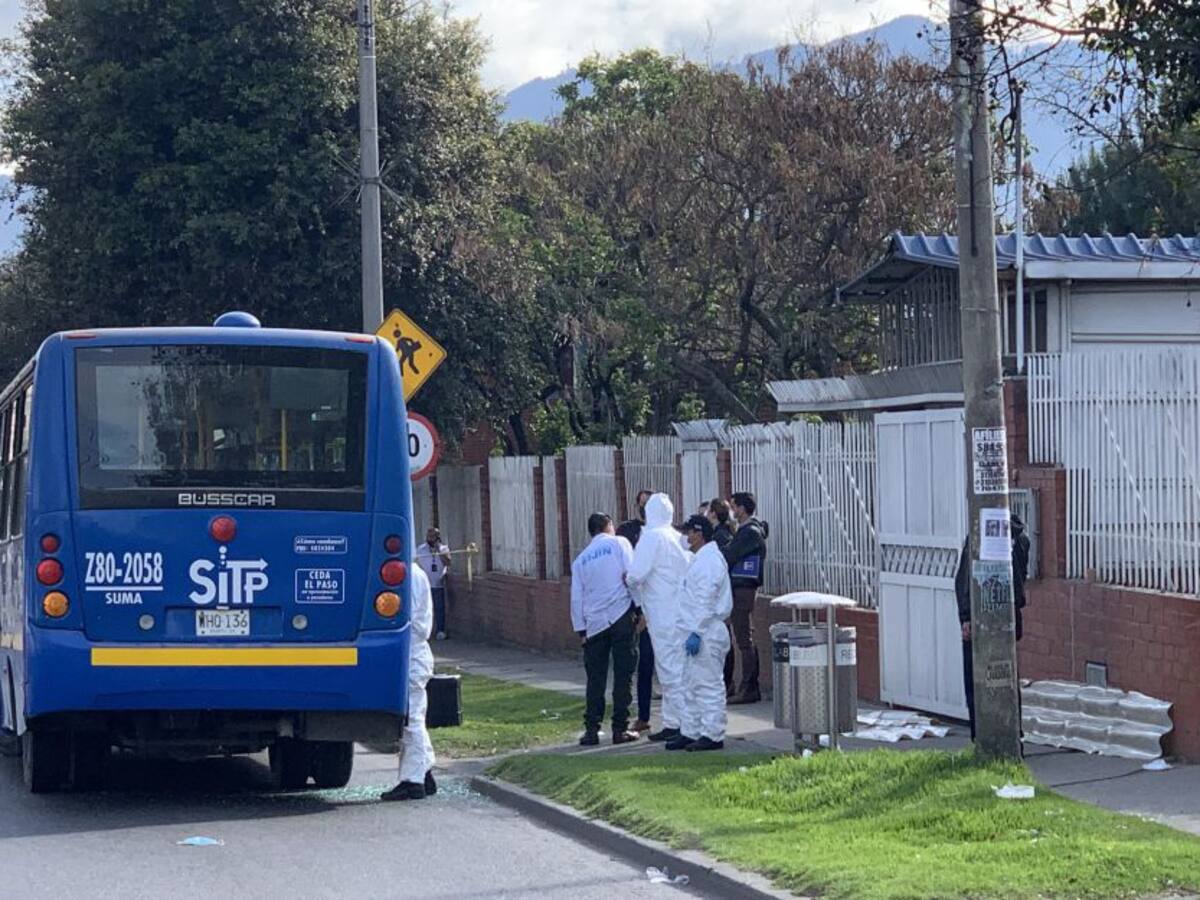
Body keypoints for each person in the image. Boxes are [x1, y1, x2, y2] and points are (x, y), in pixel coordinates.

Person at [955, 513, 1030, 740]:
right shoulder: (1020, 539)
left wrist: (966, 617)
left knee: (977, 681)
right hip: (1007, 620)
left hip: (981, 620)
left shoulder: (978, 540)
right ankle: (1012, 733)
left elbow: (964, 582)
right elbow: (1020, 581)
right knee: (1006, 678)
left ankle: (983, 737)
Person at [570, 513, 641, 746]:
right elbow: (632, 577)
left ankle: (591, 730)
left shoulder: (581, 560)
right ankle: (620, 729)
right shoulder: (620, 543)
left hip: (594, 624)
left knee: (595, 679)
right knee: (623, 675)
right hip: (620, 616)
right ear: (608, 526)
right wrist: (640, 608)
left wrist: (581, 630)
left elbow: (576, 598)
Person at [626, 493, 692, 743]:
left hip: (661, 612)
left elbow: (635, 575)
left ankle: (678, 724)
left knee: (668, 669)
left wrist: (634, 589)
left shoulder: (651, 537)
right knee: (679, 668)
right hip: (680, 610)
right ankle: (675, 721)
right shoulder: (677, 537)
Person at [667, 515, 733, 752]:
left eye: (689, 533)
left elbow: (706, 599)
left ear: (699, 533)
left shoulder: (710, 561)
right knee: (690, 684)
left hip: (706, 631)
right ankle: (691, 731)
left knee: (708, 685)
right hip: (695, 631)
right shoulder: (700, 560)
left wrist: (697, 631)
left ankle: (713, 734)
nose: (685, 537)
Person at [381, 559, 437, 801]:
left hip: (411, 655)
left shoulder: (408, 576)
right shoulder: (416, 572)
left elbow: (408, 620)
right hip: (415, 654)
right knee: (415, 716)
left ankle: (412, 781)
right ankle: (424, 772)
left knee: (410, 719)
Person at [721, 492, 768, 704]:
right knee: (743, 636)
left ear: (742, 508)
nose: (732, 512)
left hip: (743, 588)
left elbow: (729, 555)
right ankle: (747, 686)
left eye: (734, 507)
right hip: (740, 588)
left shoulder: (749, 532)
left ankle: (748, 687)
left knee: (743, 639)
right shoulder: (746, 531)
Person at [616, 490, 655, 733]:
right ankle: (643, 714)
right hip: (638, 606)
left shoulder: (661, 537)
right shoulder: (628, 531)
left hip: (658, 609)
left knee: (657, 663)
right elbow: (630, 575)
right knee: (642, 663)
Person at [416, 527, 452, 640]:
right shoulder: (421, 549)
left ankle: (440, 630)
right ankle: (425, 630)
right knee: (424, 608)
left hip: (438, 583)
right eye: (429, 536)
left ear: (438, 537)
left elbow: (448, 562)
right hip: (425, 584)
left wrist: (438, 550)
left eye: (433, 536)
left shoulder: (444, 549)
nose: (430, 538)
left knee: (439, 608)